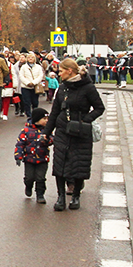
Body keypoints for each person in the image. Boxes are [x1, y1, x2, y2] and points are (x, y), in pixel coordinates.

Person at [45, 59, 105, 211]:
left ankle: (76, 195)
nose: (58, 73)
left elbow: (99, 108)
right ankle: (60, 198)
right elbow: (54, 112)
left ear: (69, 71)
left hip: (80, 131)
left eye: (60, 71)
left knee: (78, 164)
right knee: (60, 163)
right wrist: (46, 132)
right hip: (62, 130)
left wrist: (85, 120)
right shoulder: (62, 88)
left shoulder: (88, 87)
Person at [14, 108, 51, 205]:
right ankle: (28, 185)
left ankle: (40, 194)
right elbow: (20, 144)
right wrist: (18, 156)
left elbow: (52, 139)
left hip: (42, 159)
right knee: (29, 177)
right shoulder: (26, 130)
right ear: (37, 119)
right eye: (44, 119)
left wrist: (47, 141)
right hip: (29, 159)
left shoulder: (46, 131)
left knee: (41, 178)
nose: (47, 121)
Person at [18, 52, 44, 119]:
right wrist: (27, 83)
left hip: (35, 87)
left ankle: (35, 114)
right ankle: (29, 115)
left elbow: (40, 76)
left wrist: (34, 82)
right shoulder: (24, 67)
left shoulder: (38, 67)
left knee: (35, 102)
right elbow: (21, 76)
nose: (30, 59)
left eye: (32, 57)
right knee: (27, 102)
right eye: (29, 57)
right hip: (25, 87)